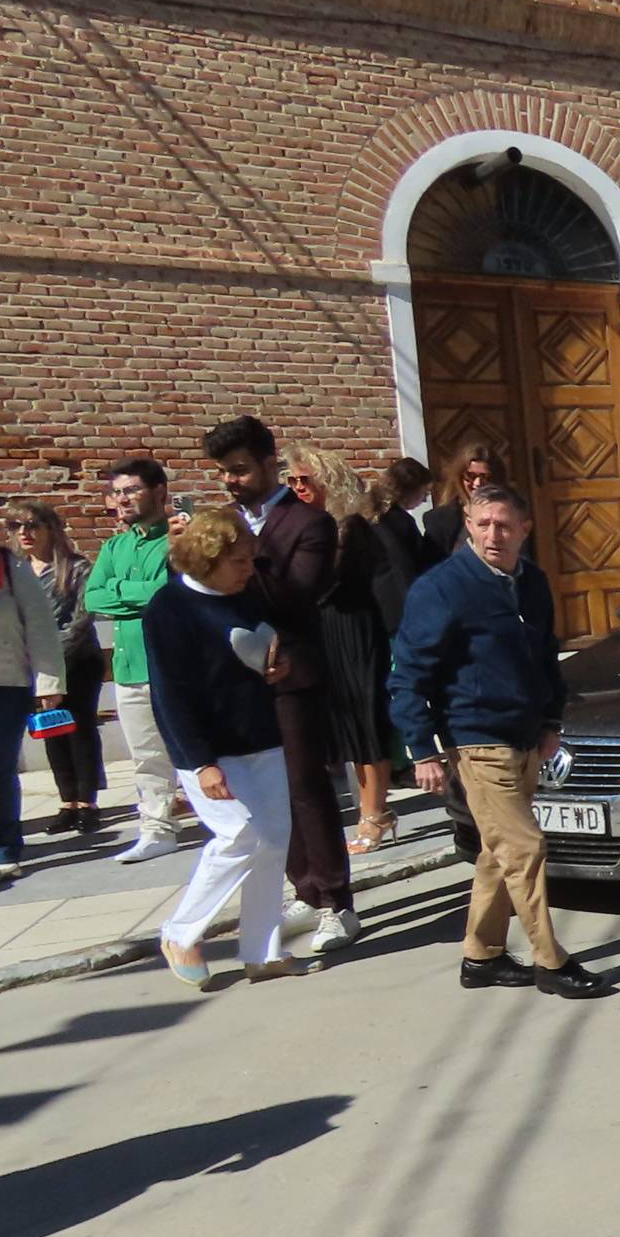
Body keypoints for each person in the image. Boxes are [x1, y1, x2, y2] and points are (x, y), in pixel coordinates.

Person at [389, 483, 611, 1000]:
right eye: (483, 523)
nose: (494, 535)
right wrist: (421, 749)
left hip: (526, 736)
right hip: (476, 739)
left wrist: (551, 722)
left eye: (505, 525)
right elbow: (408, 674)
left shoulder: (531, 582)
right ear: (467, 523)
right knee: (525, 847)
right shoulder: (441, 588)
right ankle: (551, 962)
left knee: (498, 850)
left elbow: (544, 658)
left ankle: (481, 955)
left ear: (524, 529)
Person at [203, 414, 359, 954]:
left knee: (305, 787)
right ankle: (304, 888)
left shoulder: (309, 523)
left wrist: (243, 551)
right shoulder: (223, 520)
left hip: (293, 670)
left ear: (272, 463)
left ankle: (337, 902)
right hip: (238, 677)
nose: (231, 481)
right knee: (264, 793)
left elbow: (297, 595)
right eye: (224, 472)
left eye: (241, 470)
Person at [143, 507, 301, 988]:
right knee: (238, 836)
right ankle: (181, 933)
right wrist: (201, 763)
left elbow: (268, 645)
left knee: (273, 839)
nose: (249, 569)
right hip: (206, 748)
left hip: (258, 734)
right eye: (239, 561)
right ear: (207, 559)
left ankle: (262, 949)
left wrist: (281, 666)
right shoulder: (169, 609)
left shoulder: (246, 596)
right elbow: (169, 694)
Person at [285, 450, 397, 853]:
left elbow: (328, 582)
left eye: (305, 480)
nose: (298, 488)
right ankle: (370, 809)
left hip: (354, 630)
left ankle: (375, 815)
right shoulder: (306, 525)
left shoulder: (349, 527)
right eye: (292, 481)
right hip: (322, 632)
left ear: (328, 482)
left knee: (365, 723)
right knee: (342, 728)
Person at [85, 457, 186, 862]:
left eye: (131, 490)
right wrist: (138, 593)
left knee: (191, 749)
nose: (121, 499)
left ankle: (225, 818)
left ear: (159, 492)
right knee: (145, 755)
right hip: (128, 666)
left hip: (172, 665)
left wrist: (121, 590)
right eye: (117, 491)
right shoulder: (115, 545)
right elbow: (93, 597)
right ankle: (157, 828)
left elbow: (169, 592)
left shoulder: (178, 539)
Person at [0, 490, 65, 885]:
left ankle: (0, 850)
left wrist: (48, 681)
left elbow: (41, 625)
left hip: (0, 684)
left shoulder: (8, 566)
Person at [10, 499, 106, 834]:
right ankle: (66, 801)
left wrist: (52, 655)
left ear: (51, 529)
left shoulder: (77, 568)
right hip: (36, 664)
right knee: (51, 731)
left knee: (79, 728)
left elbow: (82, 618)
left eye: (32, 525)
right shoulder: (16, 572)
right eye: (17, 526)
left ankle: (88, 802)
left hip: (77, 660)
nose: (25, 533)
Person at [367, 457, 440, 635]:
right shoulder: (397, 522)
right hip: (397, 610)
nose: (424, 500)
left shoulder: (374, 516)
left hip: (376, 605)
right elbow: (402, 566)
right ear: (411, 490)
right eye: (425, 493)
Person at [424, 439, 502, 560]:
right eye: (470, 476)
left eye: (485, 477)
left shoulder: (511, 515)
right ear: (459, 477)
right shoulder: (440, 521)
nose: (478, 483)